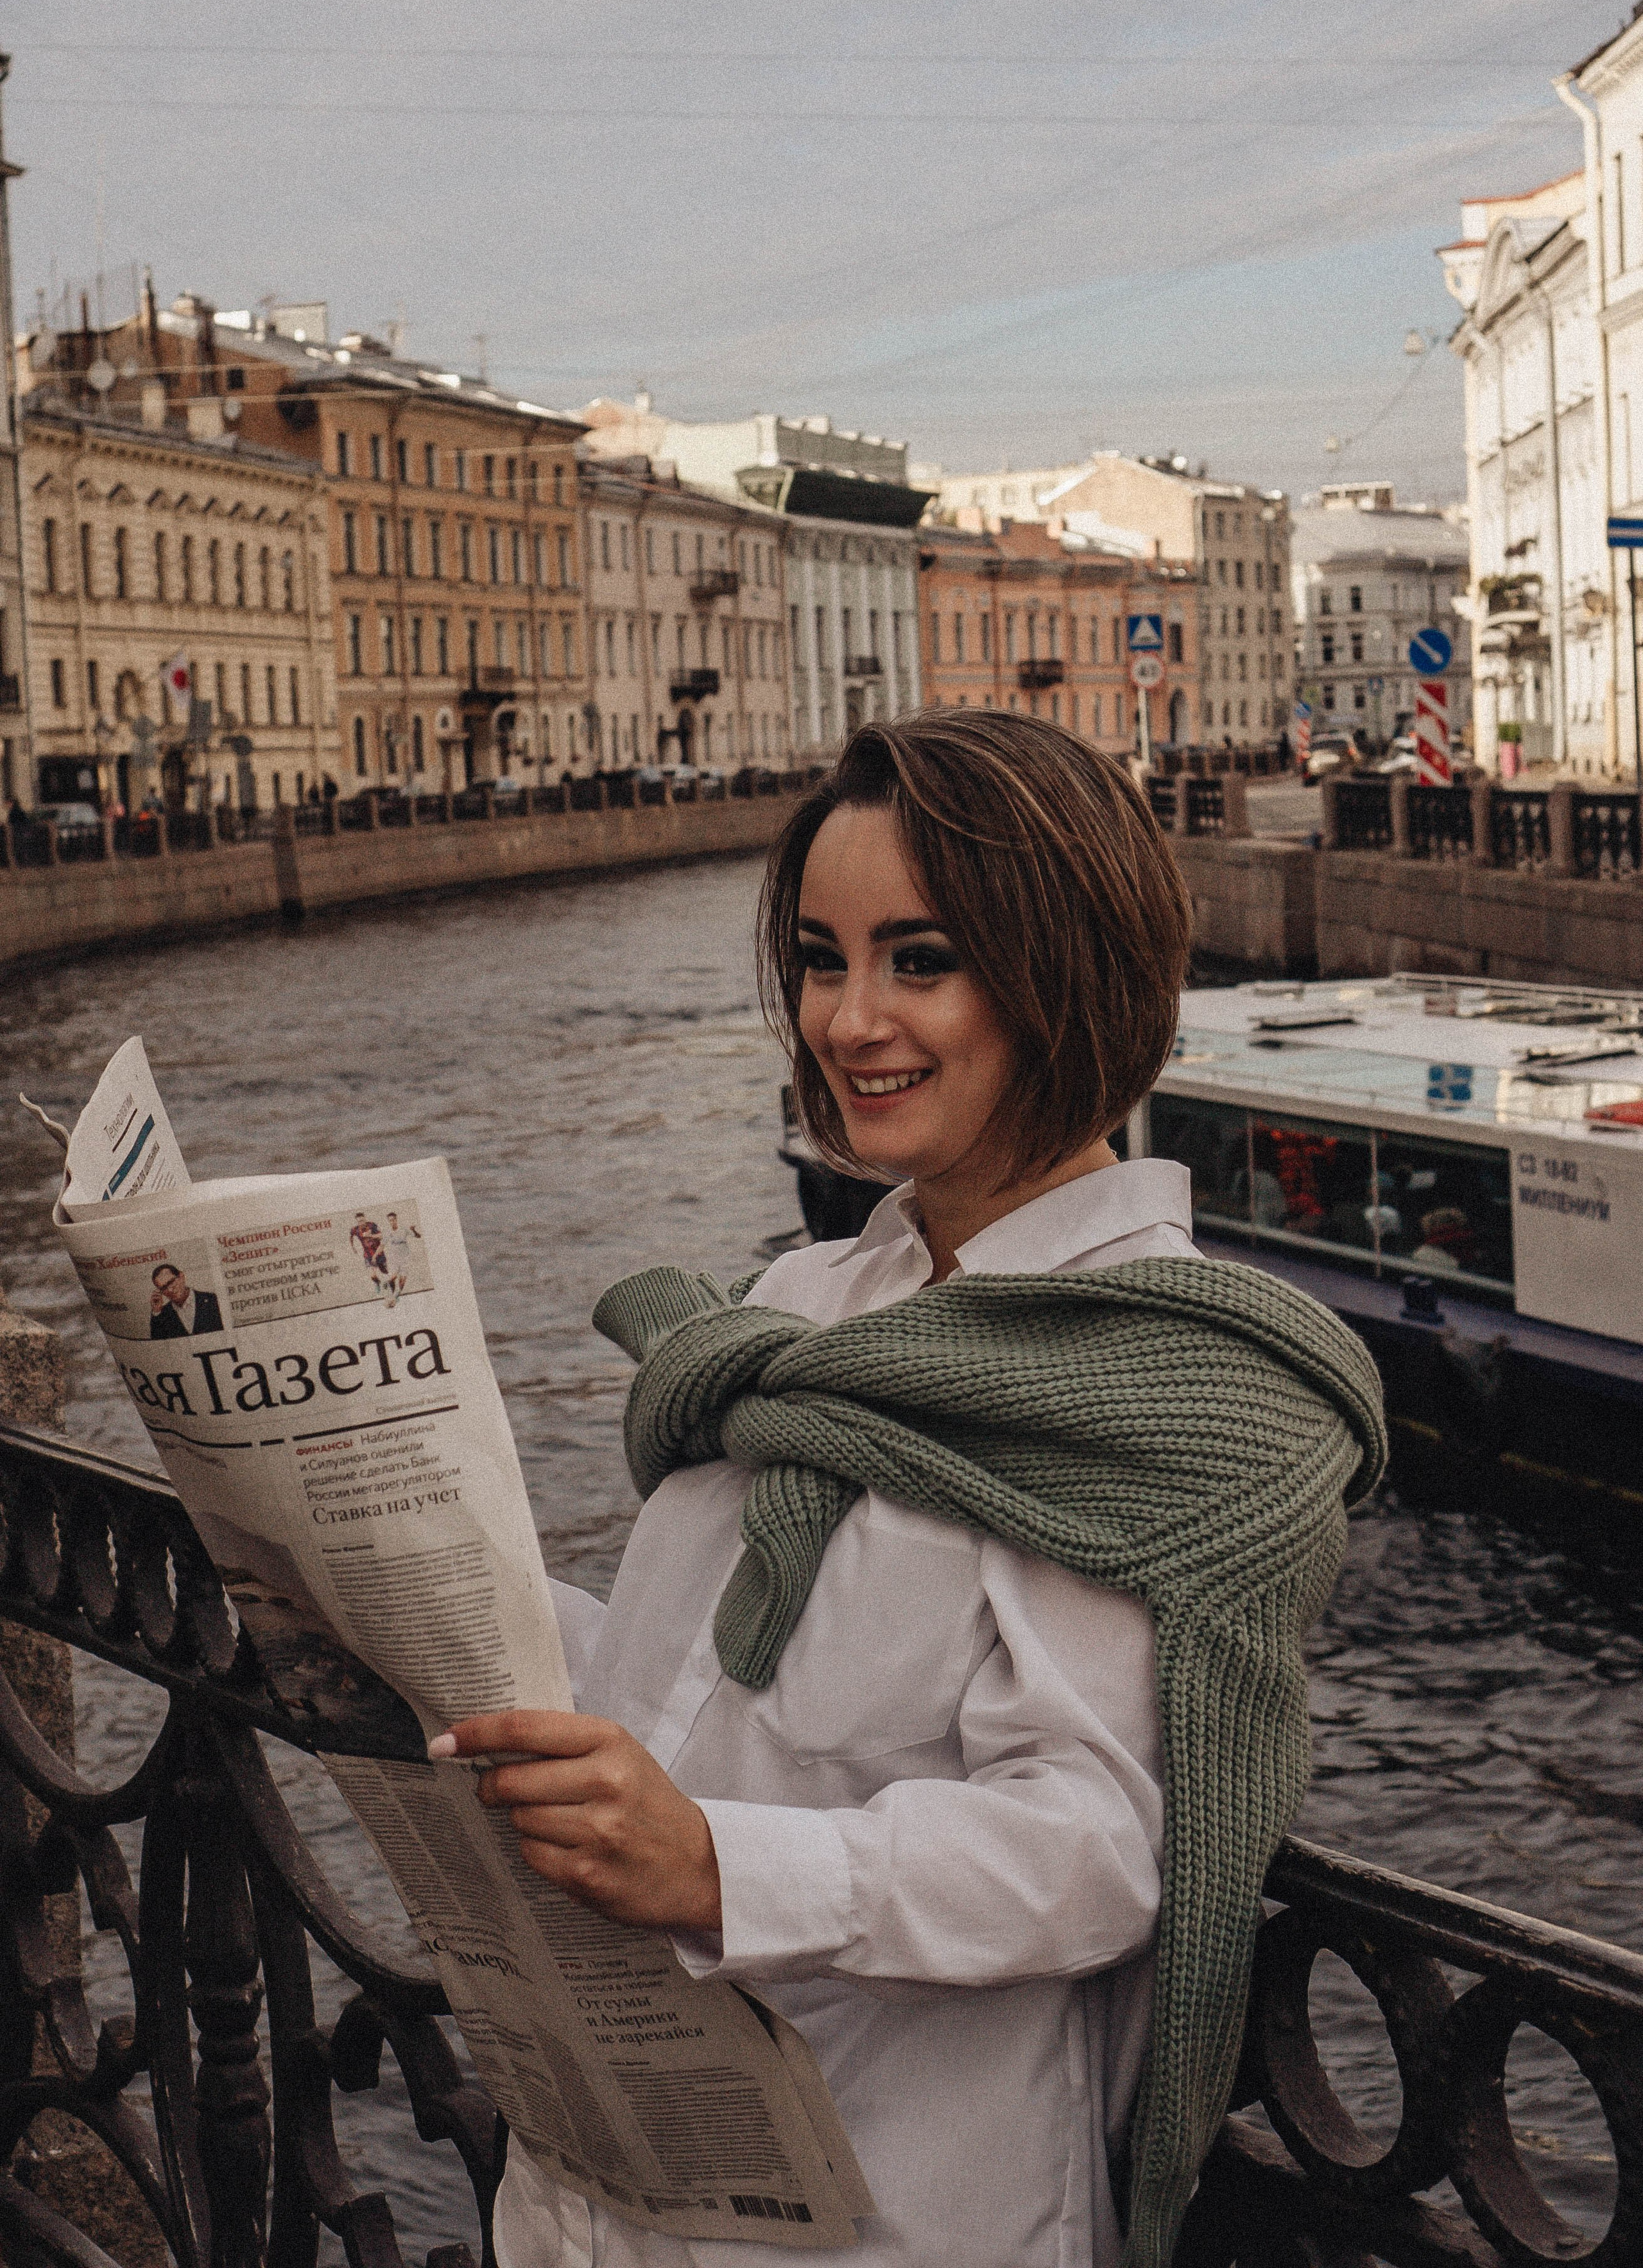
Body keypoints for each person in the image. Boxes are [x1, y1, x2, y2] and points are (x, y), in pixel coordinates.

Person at [436, 714, 1385, 2268]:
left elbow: (1095, 1845)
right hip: (608, 2181)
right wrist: (421, 1591)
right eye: (820, 956)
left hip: (885, 2208)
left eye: (918, 957)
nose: (846, 1017)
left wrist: (716, 1865)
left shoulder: (1157, 1379)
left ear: (1059, 970)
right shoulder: (803, 1305)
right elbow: (699, 1691)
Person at [148, 1262, 223, 1338]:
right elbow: (158, 1344)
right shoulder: (162, 1314)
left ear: (181, 1277)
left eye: (171, 1282)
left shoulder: (213, 1300)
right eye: (164, 1288)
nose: (170, 1289)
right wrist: (157, 1311)